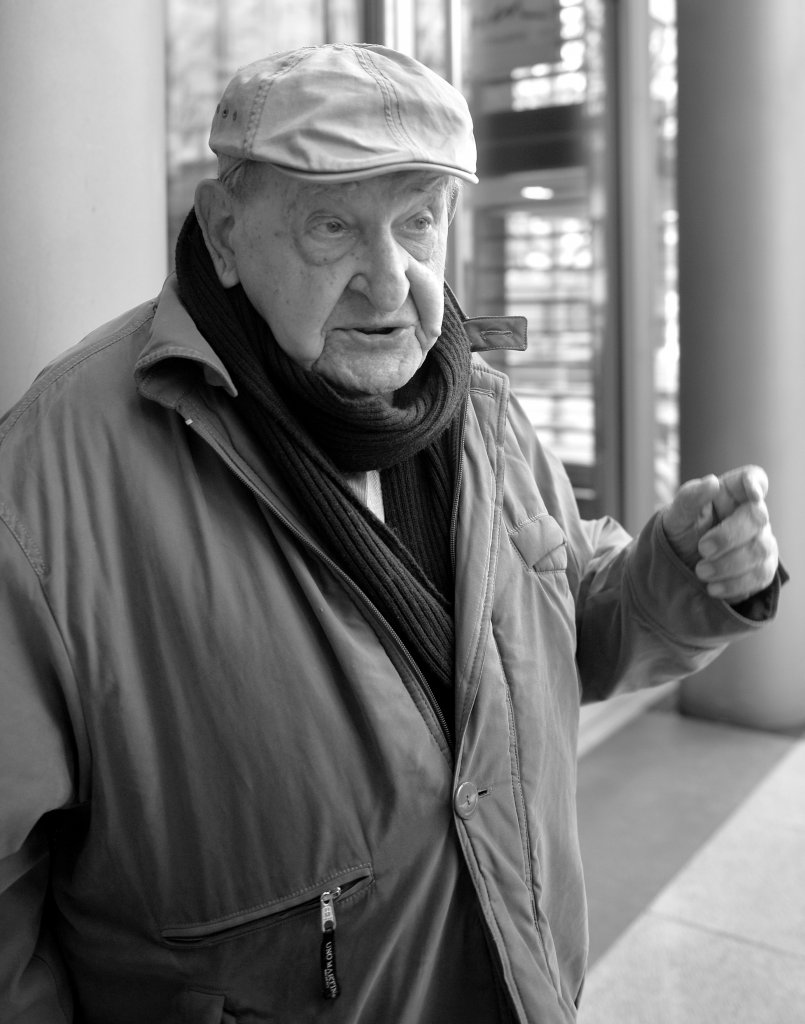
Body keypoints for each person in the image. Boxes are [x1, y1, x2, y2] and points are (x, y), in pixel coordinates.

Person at [0, 43, 783, 1024]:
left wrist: (678, 571)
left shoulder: (477, 410)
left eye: (418, 221)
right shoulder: (51, 480)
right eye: (332, 226)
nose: (388, 281)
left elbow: (554, 630)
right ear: (225, 232)